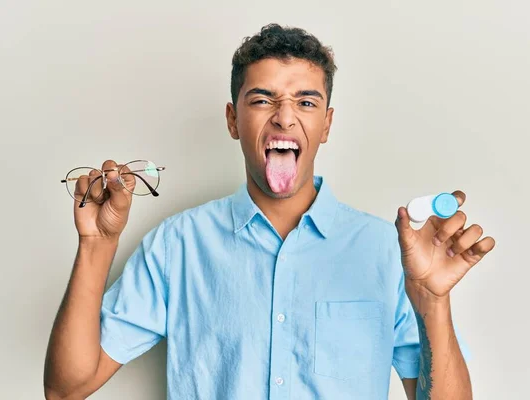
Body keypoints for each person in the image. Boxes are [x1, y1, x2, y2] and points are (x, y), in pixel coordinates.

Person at [43, 23, 495, 400]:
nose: (283, 117)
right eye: (262, 100)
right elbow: (67, 387)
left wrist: (433, 303)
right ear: (233, 120)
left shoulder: (388, 252)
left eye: (305, 102)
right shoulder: (177, 246)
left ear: (327, 125)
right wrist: (96, 246)